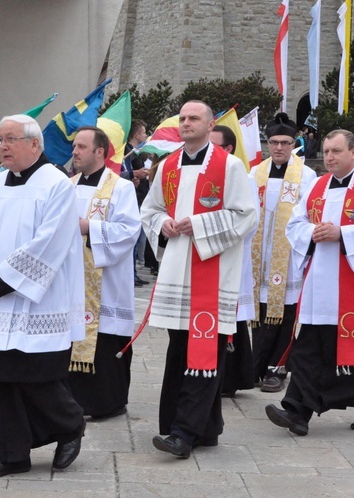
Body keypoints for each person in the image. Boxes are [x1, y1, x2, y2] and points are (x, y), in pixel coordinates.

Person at [0, 114, 86, 479]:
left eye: (10, 139)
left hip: (37, 298)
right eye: (0, 140)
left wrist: (1, 279)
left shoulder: (56, 184)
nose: (2, 146)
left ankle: (70, 426)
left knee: (37, 376)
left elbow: (51, 241)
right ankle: (13, 454)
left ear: (34, 143)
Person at [265, 129, 354, 435]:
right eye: (326, 151)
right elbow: (295, 224)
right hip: (323, 286)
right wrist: (311, 234)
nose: (329, 157)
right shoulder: (317, 186)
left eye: (336, 151)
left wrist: (342, 234)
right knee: (310, 350)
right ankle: (297, 413)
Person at [140, 100, 258, 458]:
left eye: (194, 118)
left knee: (206, 350)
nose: (187, 123)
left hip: (213, 270)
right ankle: (203, 427)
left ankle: (184, 432)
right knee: (180, 349)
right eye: (183, 118)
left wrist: (202, 224)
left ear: (210, 127)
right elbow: (151, 209)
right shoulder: (169, 165)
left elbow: (246, 215)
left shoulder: (230, 166)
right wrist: (164, 224)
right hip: (177, 269)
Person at [67, 126, 141, 419]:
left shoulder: (120, 187)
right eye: (74, 146)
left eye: (81, 147)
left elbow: (129, 231)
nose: (75, 152)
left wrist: (90, 228)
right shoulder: (67, 185)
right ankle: (73, 400)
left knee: (106, 337)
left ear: (100, 152)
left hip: (107, 281)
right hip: (73, 279)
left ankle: (108, 402)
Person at [250, 113, 317, 394]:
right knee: (259, 311)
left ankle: (278, 368)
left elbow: (311, 214)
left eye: (285, 143)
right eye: (274, 142)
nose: (279, 147)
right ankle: (255, 366)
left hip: (288, 255)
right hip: (259, 255)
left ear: (294, 144)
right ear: (268, 143)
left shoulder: (307, 175)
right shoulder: (254, 173)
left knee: (286, 312)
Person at [209, 125, 259, 397]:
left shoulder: (241, 175)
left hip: (230, 254)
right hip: (202, 257)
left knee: (231, 315)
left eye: (214, 144)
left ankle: (231, 378)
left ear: (228, 148)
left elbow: (251, 220)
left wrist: (214, 235)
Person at [124, 120, 150, 287]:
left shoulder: (135, 153)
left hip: (137, 196)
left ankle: (133, 273)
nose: (146, 135)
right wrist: (134, 174)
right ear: (136, 135)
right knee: (134, 239)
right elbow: (119, 172)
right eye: (144, 132)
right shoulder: (126, 152)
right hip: (132, 199)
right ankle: (130, 275)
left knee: (137, 239)